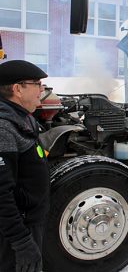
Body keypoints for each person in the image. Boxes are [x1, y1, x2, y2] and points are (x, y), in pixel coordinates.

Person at [0, 60, 50, 271]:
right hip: (12, 236)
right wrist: (21, 241)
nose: (42, 89)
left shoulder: (23, 119)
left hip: (28, 224)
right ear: (17, 89)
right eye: (36, 83)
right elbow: (1, 194)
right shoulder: (3, 128)